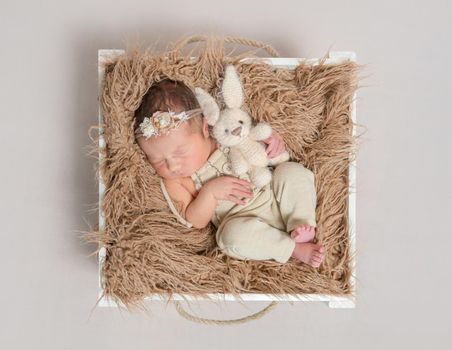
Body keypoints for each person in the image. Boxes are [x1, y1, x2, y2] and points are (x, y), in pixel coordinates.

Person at [134, 79, 325, 267]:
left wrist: (272, 141)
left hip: (273, 195)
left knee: (291, 172)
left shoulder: (223, 135)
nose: (173, 165)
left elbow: (252, 136)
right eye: (157, 160)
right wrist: (209, 193)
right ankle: (293, 248)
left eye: (180, 152)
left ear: (204, 129)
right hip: (243, 224)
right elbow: (195, 220)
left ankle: (301, 222)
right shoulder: (176, 181)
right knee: (229, 238)